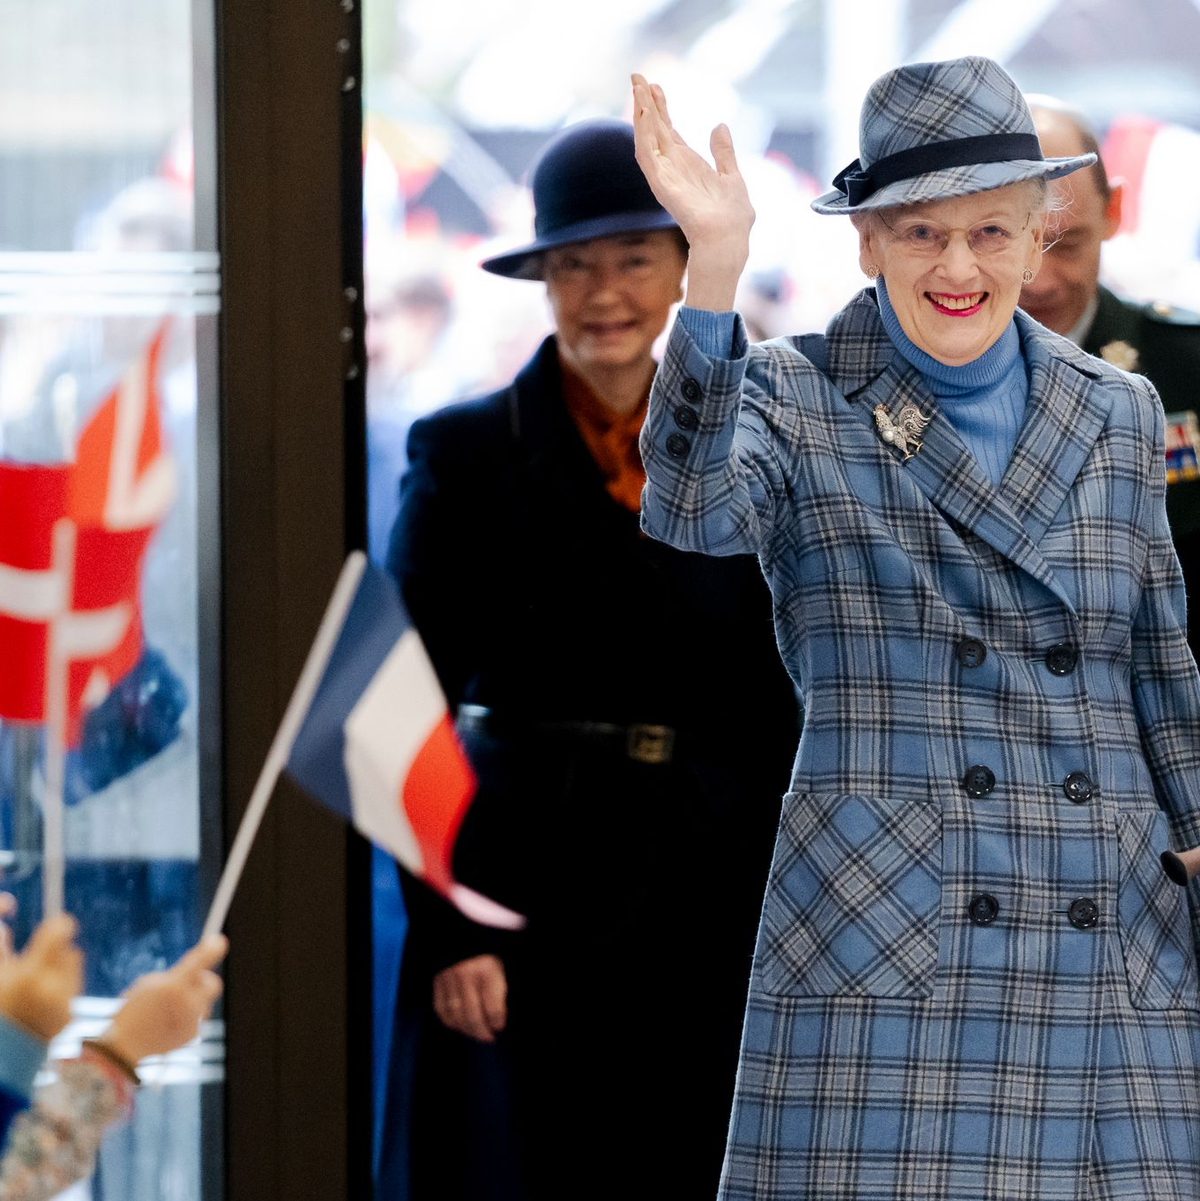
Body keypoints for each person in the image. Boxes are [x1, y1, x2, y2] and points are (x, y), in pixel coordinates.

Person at [633, 54, 1200, 1200]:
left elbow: (1159, 662)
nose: (957, 266)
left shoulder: (1121, 408)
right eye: (920, 232)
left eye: (992, 231)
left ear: (1042, 236)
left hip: (1111, 934)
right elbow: (689, 508)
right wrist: (715, 272)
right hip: (892, 936)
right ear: (866, 243)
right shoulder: (795, 394)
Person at [379, 119, 799, 1201]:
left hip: (723, 878)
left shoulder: (770, 434)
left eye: (631, 260)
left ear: (680, 272)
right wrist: (445, 929)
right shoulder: (466, 451)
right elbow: (402, 704)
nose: (603, 292)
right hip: (527, 880)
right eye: (574, 265)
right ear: (544, 280)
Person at [1019, 97, 1200, 653]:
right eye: (1020, 245)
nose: (1041, 280)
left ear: (1113, 210)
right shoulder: (931, 379)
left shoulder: (1186, 363)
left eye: (1067, 244)